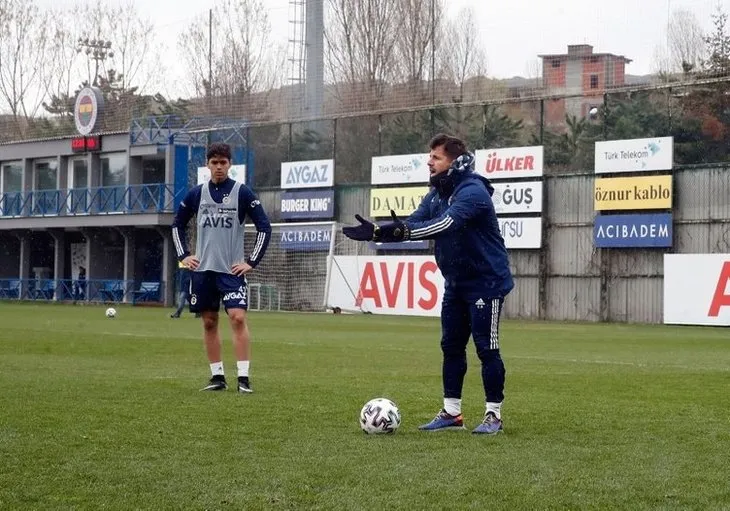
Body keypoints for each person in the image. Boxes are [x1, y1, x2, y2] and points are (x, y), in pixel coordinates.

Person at [343, 134, 514, 435]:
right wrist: (378, 233)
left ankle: (493, 416)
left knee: (487, 349)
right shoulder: (436, 193)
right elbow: (414, 222)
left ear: (456, 162)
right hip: (456, 283)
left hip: (486, 282)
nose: (428, 162)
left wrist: (402, 233)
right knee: (450, 347)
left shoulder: (473, 191)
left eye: (436, 157)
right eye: (429, 156)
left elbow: (444, 224)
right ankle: (452, 413)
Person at [171, 143, 272, 393]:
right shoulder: (196, 194)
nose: (218, 167)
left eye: (223, 162)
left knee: (237, 318)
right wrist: (184, 255)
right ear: (207, 164)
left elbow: (264, 227)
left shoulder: (243, 193)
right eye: (214, 162)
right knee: (209, 322)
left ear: (230, 165)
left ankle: (244, 379)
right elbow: (177, 225)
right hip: (203, 270)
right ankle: (217, 377)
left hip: (231, 271)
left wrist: (251, 261)